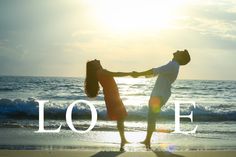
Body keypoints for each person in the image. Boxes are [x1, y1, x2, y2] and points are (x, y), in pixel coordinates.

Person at [131, 50, 191, 149]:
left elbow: (155, 70)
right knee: (152, 117)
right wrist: (140, 75)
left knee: (151, 117)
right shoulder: (173, 64)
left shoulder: (173, 65)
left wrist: (138, 74)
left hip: (159, 95)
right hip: (160, 94)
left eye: (180, 51)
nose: (177, 50)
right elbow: (155, 73)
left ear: (180, 57)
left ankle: (148, 140)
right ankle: (148, 139)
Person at [84, 59, 132, 151]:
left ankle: (123, 139)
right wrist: (130, 73)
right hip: (113, 96)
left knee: (120, 118)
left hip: (111, 96)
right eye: (94, 61)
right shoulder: (102, 71)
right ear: (94, 65)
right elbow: (117, 73)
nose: (96, 59)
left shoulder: (98, 73)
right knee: (120, 118)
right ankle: (123, 140)